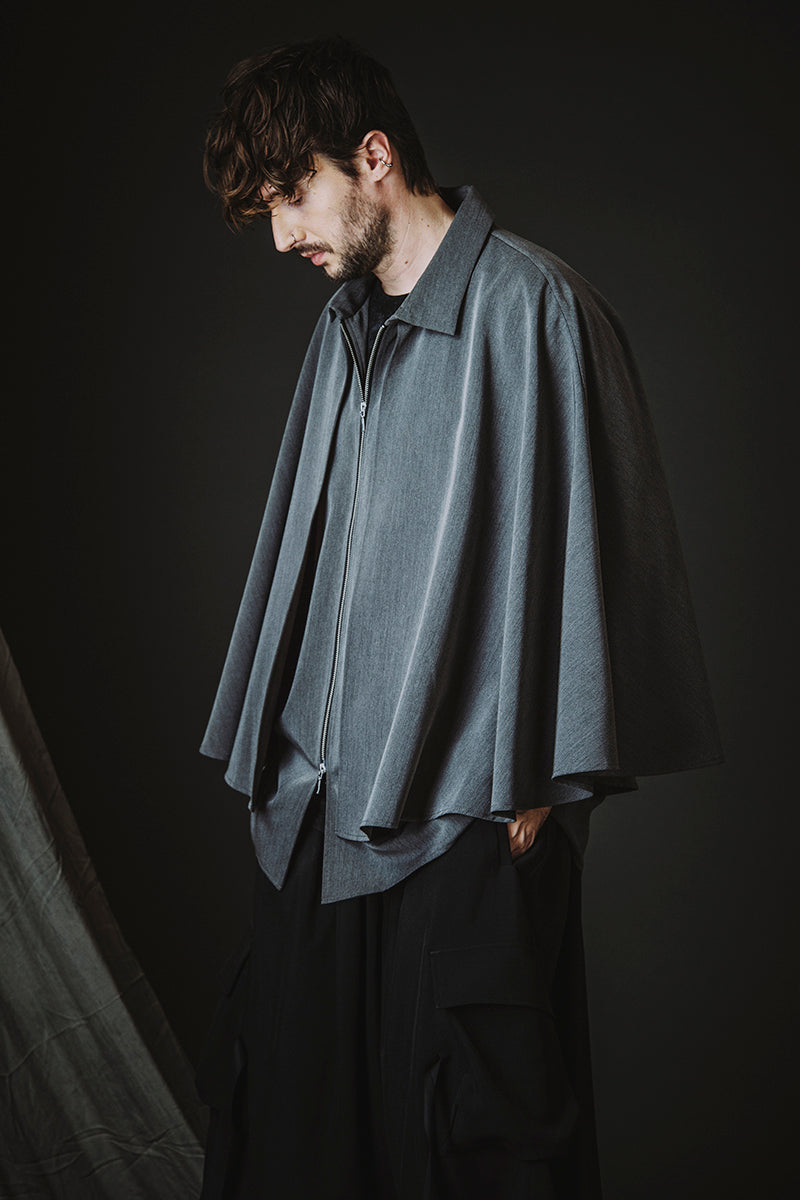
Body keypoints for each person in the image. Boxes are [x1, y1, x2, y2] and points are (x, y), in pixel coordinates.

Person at [195, 36, 723, 1200]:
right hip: (313, 813)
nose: (282, 234)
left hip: (462, 823)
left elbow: (597, 539)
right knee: (294, 1143)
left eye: (292, 193)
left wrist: (544, 772)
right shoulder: (339, 329)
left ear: (373, 156)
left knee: (468, 1146)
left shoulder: (534, 306)